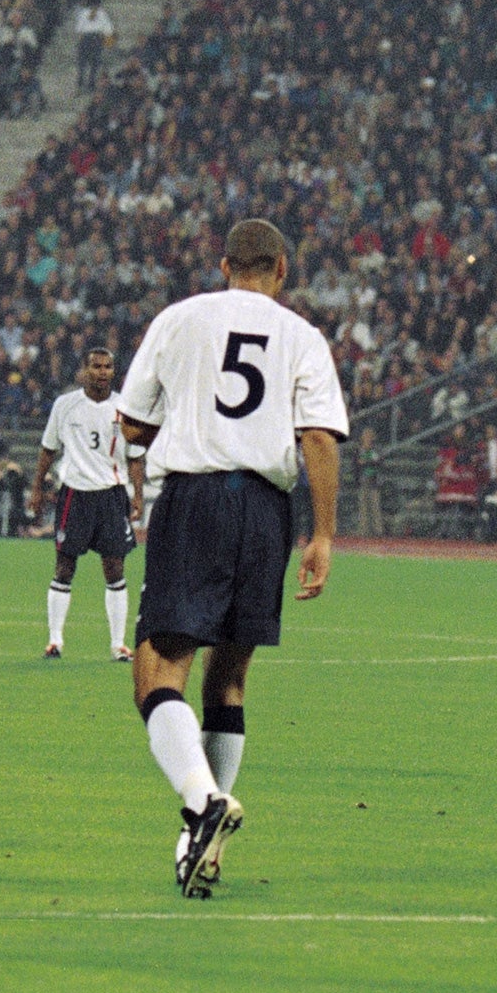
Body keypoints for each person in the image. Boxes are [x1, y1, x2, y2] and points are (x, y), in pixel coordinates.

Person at [117, 218, 345, 898]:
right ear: (282, 269)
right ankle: (203, 845)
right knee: (232, 675)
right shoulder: (303, 336)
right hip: (266, 511)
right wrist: (323, 535)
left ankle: (200, 801)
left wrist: (183, 414)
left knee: (159, 667)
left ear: (224, 265)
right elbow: (319, 440)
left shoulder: (180, 319)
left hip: (195, 498)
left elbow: (131, 421)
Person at [30, 347, 143, 660]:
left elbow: (135, 457)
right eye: (96, 366)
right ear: (85, 370)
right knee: (64, 567)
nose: (102, 372)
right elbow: (48, 449)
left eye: (108, 366)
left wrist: (138, 495)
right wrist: (37, 488)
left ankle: (118, 644)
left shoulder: (125, 408)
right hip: (75, 494)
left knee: (115, 568)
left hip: (111, 495)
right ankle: (54, 641)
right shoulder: (65, 405)